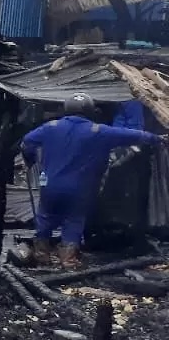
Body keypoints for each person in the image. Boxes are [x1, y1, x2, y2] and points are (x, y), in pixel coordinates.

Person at [20, 93, 162, 270]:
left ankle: (41, 255)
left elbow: (27, 142)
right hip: (79, 190)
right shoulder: (98, 131)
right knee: (73, 220)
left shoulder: (50, 127)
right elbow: (133, 135)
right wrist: (156, 138)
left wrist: (30, 158)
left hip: (50, 186)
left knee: (45, 216)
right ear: (90, 110)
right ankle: (68, 261)